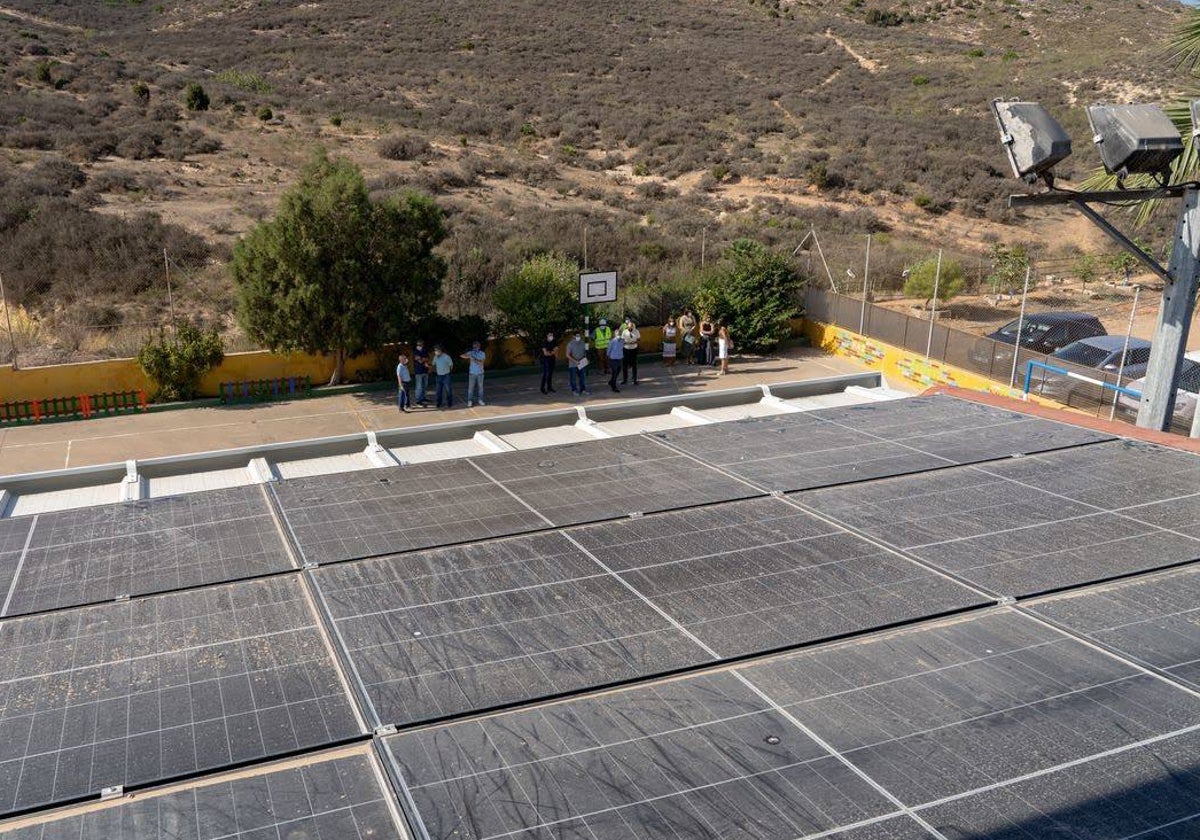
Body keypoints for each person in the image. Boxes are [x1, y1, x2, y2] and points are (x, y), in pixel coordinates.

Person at [461, 341, 486, 407]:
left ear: (479, 347)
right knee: (470, 388)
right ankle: (470, 401)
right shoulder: (471, 352)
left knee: (480, 388)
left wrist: (473, 358)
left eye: (476, 346)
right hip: (472, 373)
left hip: (480, 373)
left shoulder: (482, 353)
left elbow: (481, 363)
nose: (475, 348)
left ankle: (480, 400)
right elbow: (462, 356)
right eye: (474, 346)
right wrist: (467, 355)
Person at [566, 331, 590, 395]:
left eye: (579, 336)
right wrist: (575, 361)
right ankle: (574, 390)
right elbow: (567, 355)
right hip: (573, 364)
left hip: (582, 363)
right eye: (577, 336)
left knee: (583, 377)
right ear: (573, 336)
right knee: (573, 378)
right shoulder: (570, 344)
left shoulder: (582, 343)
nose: (578, 337)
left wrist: (586, 359)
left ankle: (583, 389)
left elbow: (585, 353)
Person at [620, 319, 640, 385]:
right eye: (629, 327)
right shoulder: (624, 332)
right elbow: (622, 340)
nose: (630, 328)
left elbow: (639, 339)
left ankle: (635, 379)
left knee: (634, 365)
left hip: (634, 349)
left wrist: (634, 342)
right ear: (627, 327)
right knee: (625, 365)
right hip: (626, 349)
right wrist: (626, 342)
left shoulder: (636, 331)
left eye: (631, 326)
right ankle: (625, 379)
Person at [412, 339, 431, 407]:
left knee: (424, 385)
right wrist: (424, 359)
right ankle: (418, 401)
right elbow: (419, 360)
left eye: (422, 344)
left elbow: (428, 358)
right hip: (418, 371)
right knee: (419, 387)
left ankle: (423, 398)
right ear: (418, 345)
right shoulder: (415, 352)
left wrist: (422, 359)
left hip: (425, 370)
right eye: (420, 344)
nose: (421, 346)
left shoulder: (424, 350)